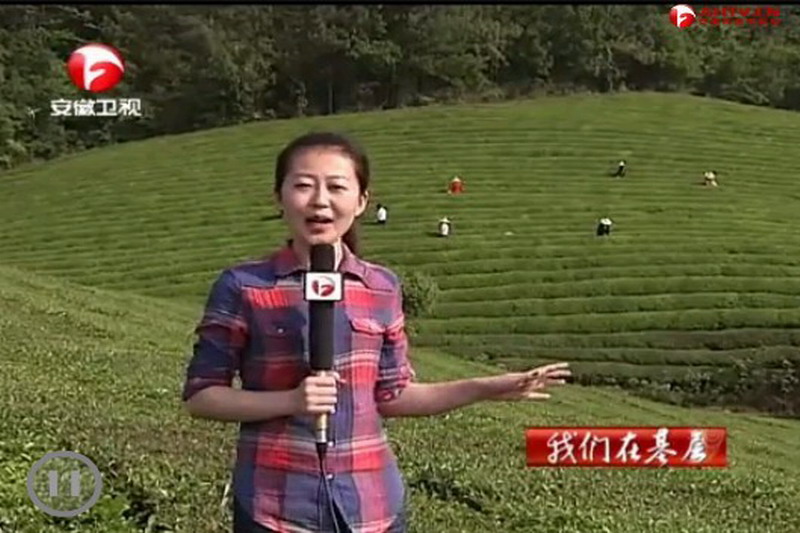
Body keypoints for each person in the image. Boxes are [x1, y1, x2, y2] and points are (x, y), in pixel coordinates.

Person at [182, 132, 571, 533]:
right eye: (303, 185)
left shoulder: (381, 287)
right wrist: (291, 400)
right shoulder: (244, 285)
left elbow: (392, 395)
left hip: (372, 505)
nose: (319, 200)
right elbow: (202, 397)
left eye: (336, 187)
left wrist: (484, 387)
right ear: (278, 197)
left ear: (361, 201)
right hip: (277, 506)